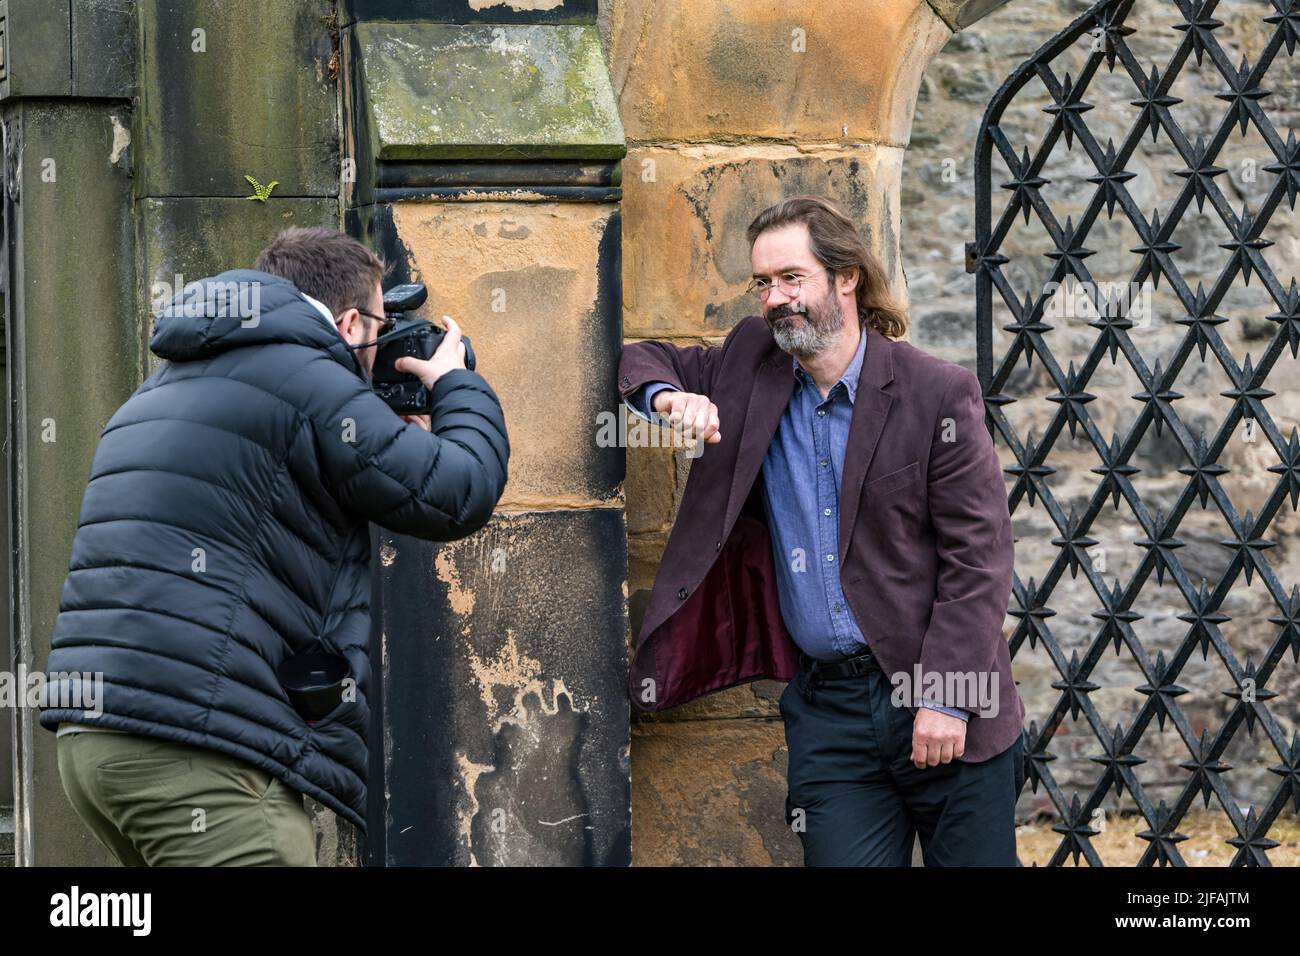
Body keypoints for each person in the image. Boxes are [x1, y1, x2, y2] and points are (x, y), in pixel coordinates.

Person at [40, 226, 509, 865]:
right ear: (349, 324)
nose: (377, 351)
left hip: (96, 743)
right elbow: (457, 490)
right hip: (201, 752)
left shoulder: (165, 384)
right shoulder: (309, 379)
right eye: (378, 329)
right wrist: (456, 384)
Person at [619, 195, 1024, 866]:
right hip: (830, 715)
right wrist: (669, 399)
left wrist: (946, 698)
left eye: (791, 278)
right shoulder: (753, 364)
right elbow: (639, 358)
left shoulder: (937, 394)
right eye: (763, 283)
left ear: (845, 278)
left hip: (945, 699)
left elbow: (979, 558)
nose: (775, 298)